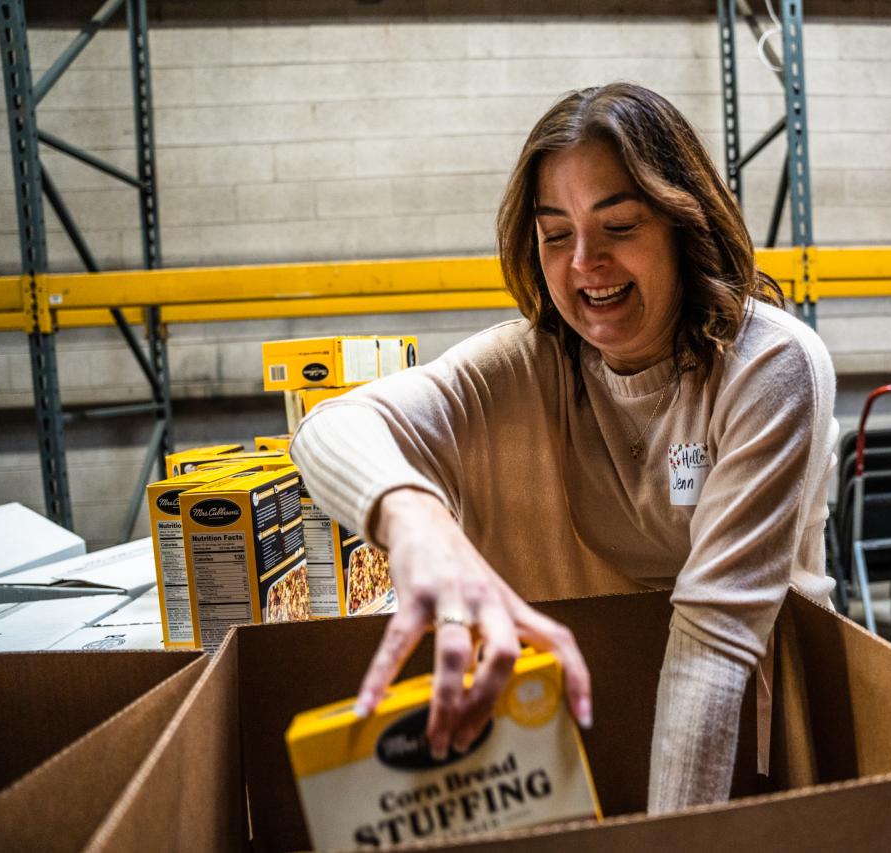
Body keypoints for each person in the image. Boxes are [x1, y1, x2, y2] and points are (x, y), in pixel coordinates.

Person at [289, 82, 838, 815]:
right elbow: (329, 428)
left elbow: (713, 647)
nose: (585, 262)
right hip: (610, 697)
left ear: (682, 221)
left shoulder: (769, 367)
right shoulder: (537, 362)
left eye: (619, 225)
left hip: (762, 720)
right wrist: (414, 519)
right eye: (556, 234)